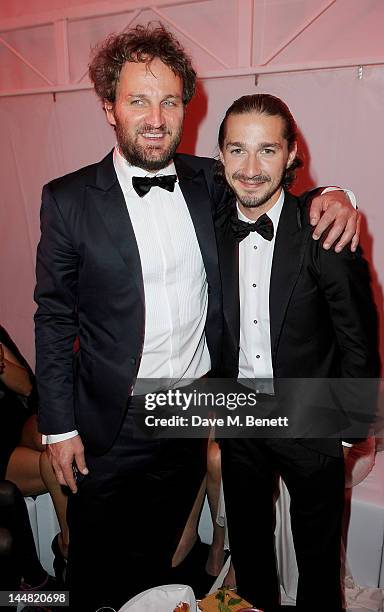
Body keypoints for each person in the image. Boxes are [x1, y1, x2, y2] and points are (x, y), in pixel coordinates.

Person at [34, 23, 360, 611]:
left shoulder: (206, 179)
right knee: (99, 568)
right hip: (112, 419)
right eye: (137, 100)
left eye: (169, 101)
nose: (155, 117)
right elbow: (54, 316)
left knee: (165, 559)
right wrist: (58, 425)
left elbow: (271, 185)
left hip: (192, 410)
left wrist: (339, 196)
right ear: (109, 107)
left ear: (186, 105)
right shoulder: (68, 199)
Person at [216, 94, 380, 611]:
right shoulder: (209, 225)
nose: (250, 167)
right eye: (237, 150)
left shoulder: (325, 230)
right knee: (249, 551)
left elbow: (359, 334)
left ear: (291, 155)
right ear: (220, 156)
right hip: (240, 415)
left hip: (311, 416)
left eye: (267, 150)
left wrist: (352, 424)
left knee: (317, 561)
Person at [0, 325, 69, 583]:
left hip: (16, 422)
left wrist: (2, 366)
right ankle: (68, 547)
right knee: (53, 463)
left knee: (59, 437)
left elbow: (28, 389)